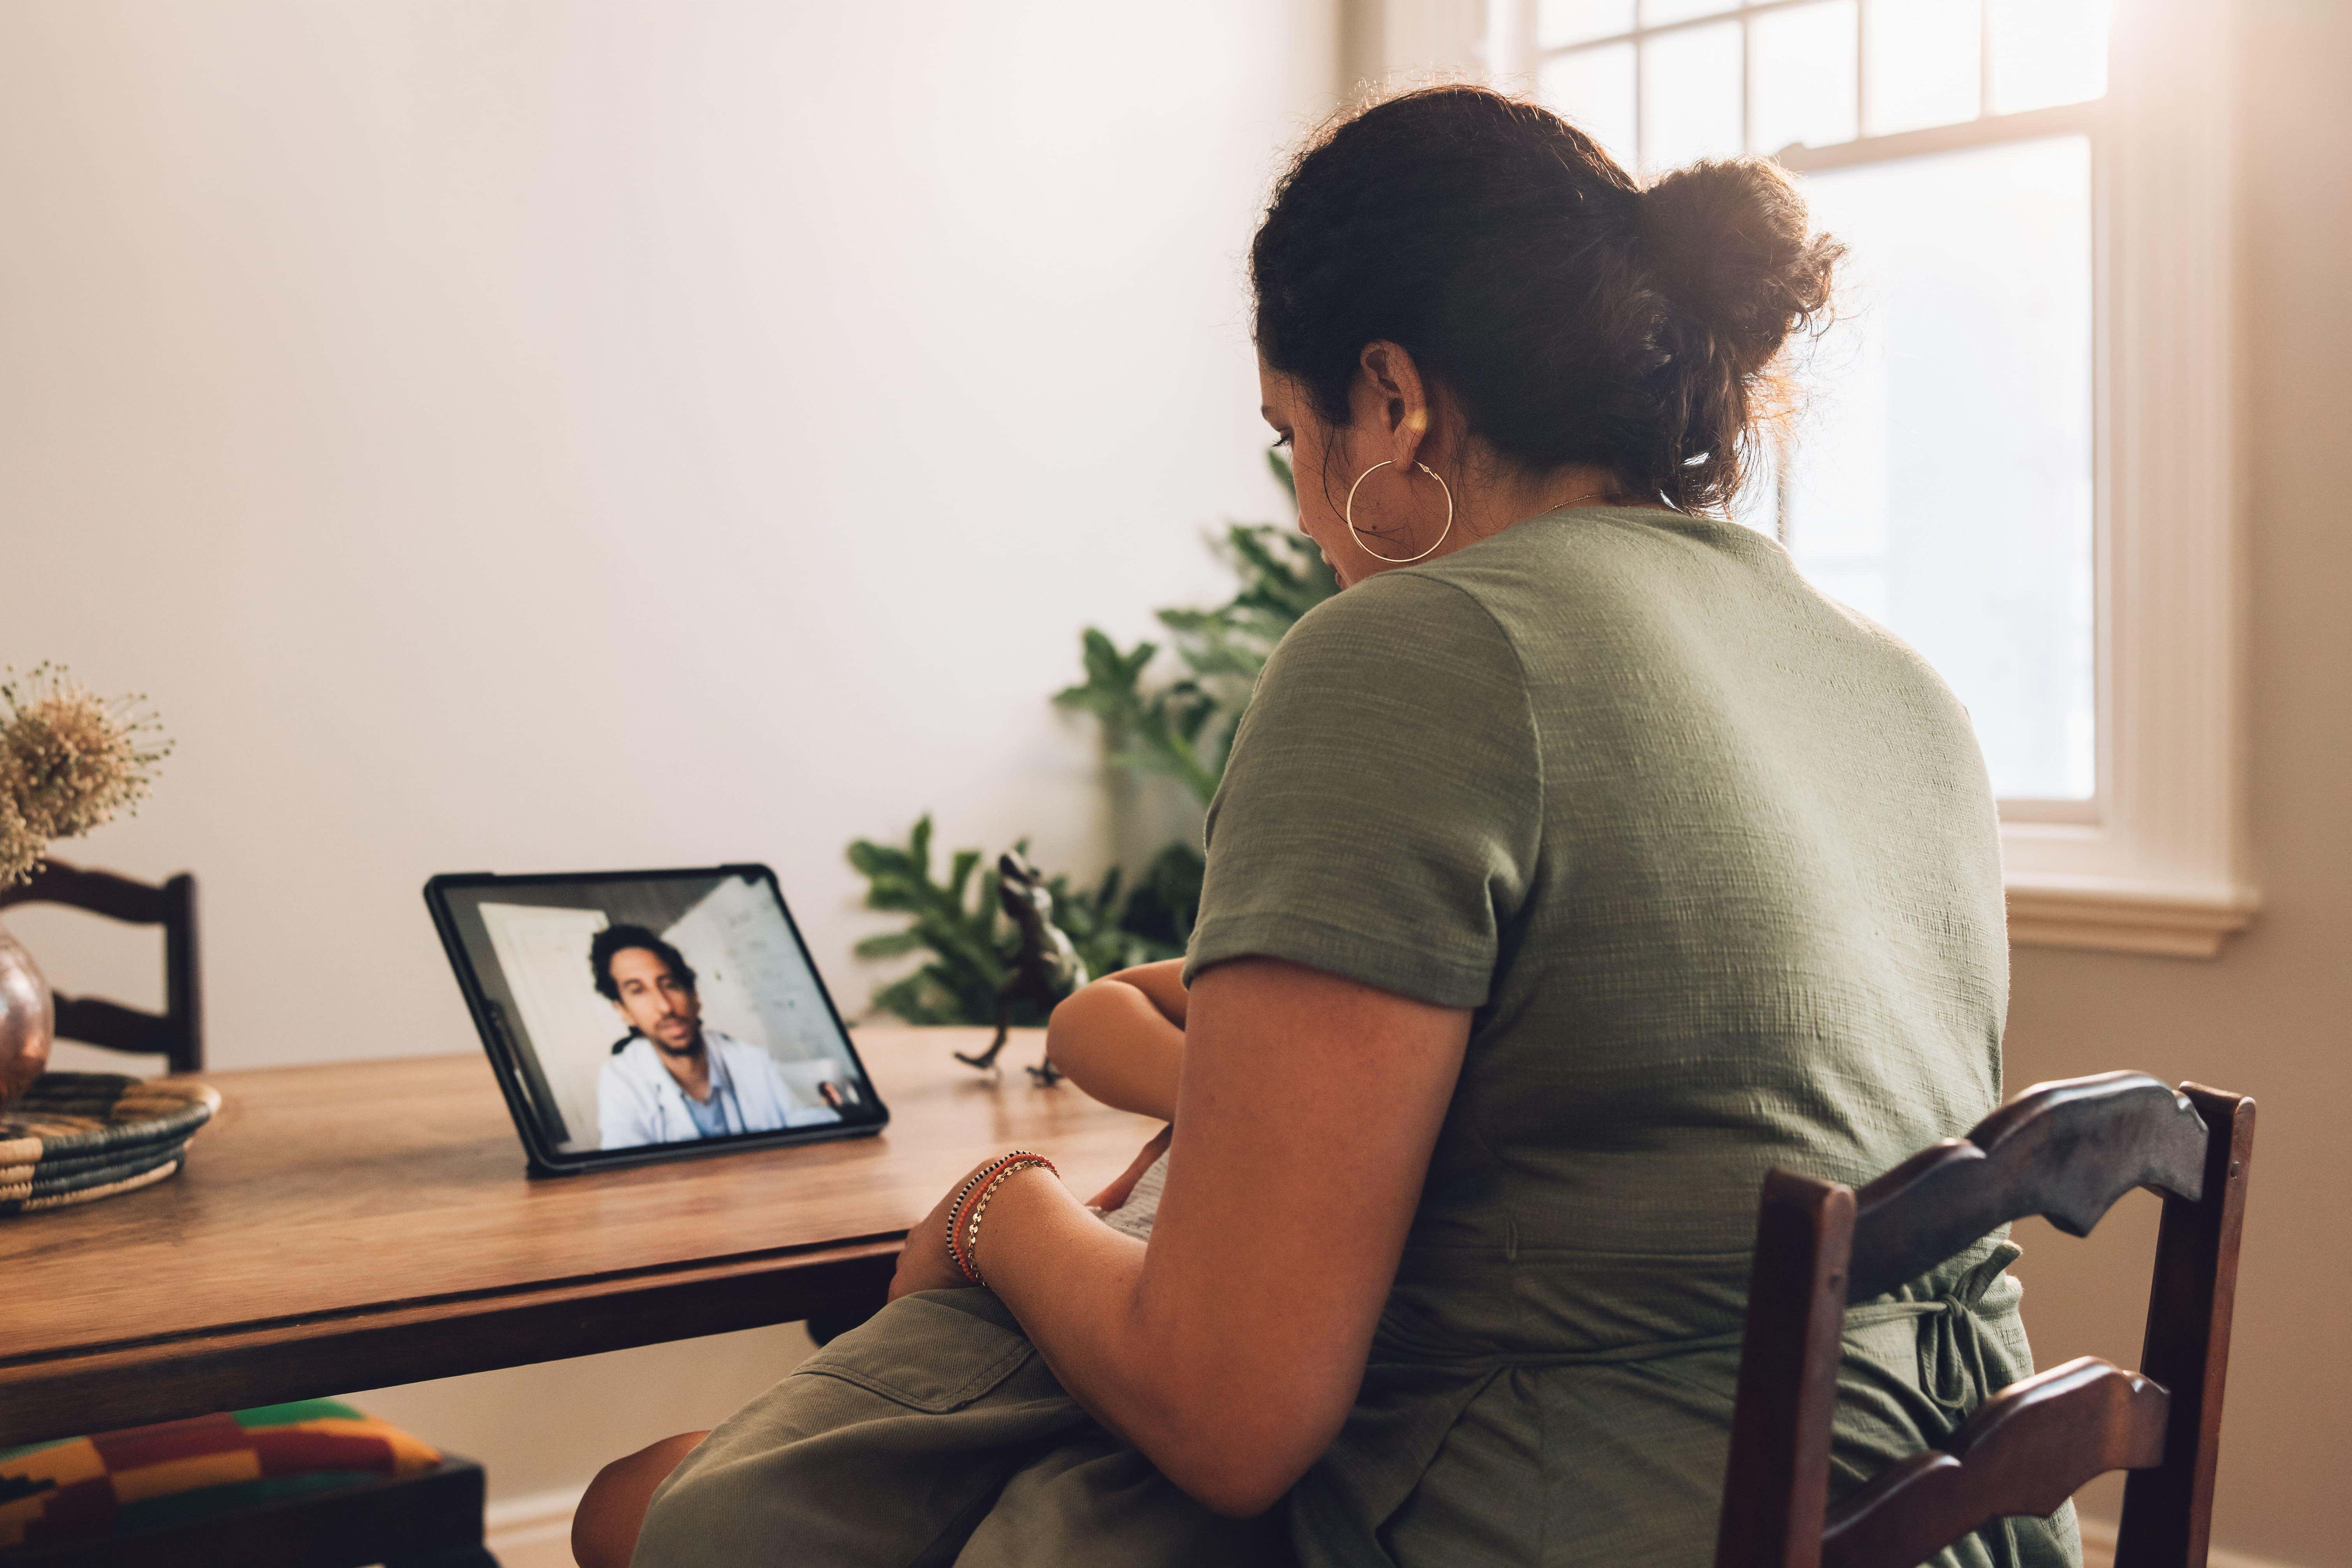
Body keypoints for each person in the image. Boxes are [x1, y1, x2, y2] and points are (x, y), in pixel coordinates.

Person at [579, 84, 2070, 1568]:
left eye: (1291, 435)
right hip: (1956, 1514)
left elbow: (1231, 1410)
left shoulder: (1418, 651)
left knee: (689, 1515)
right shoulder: (1902, 692)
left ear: (1394, 401)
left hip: (1600, 1512)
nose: (1302, 509)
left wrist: (995, 1210)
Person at [590, 925, 838, 1148]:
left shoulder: (750, 1058)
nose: (665, 1007)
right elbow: (626, 1166)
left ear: (694, 996)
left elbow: (804, 1121)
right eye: (638, 991)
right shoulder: (620, 1078)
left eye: (670, 985)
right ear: (624, 1011)